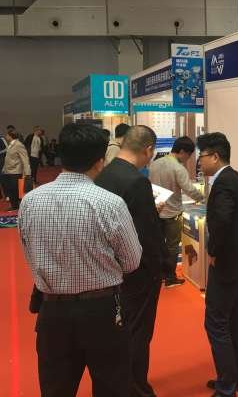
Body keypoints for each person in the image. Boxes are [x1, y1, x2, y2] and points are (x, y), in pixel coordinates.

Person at [18, 123, 142, 396]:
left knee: (55, 389)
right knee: (112, 387)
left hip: (52, 311)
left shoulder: (30, 201)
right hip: (103, 310)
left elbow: (29, 251)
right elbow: (132, 261)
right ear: (99, 161)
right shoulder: (110, 203)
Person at [95, 125, 170, 397]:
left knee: (119, 330)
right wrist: (160, 268)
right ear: (148, 150)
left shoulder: (104, 174)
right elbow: (146, 235)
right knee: (138, 332)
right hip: (138, 271)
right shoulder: (137, 182)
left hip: (110, 267)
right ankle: (136, 388)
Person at [198, 132, 238, 397]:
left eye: (202, 156)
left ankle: (227, 386)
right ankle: (236, 376)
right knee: (233, 318)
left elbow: (221, 221)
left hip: (226, 262)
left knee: (216, 322)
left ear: (215, 156)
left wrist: (213, 251)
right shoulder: (237, 179)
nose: (200, 161)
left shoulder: (224, 183)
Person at [149, 136, 205, 287]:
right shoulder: (178, 168)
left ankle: (159, 275)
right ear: (182, 152)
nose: (188, 159)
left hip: (156, 211)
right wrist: (203, 197)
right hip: (172, 213)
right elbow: (189, 189)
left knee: (159, 245)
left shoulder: (155, 163)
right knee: (172, 247)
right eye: (188, 155)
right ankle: (170, 277)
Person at [2, 130, 31, 210]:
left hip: (16, 171)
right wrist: (4, 168)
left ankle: (16, 206)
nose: (6, 136)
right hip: (8, 171)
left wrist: (27, 173)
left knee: (15, 189)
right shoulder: (10, 144)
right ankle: (14, 205)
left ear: (10, 136)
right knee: (11, 189)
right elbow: (7, 158)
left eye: (7, 135)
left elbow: (25, 159)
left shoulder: (19, 145)